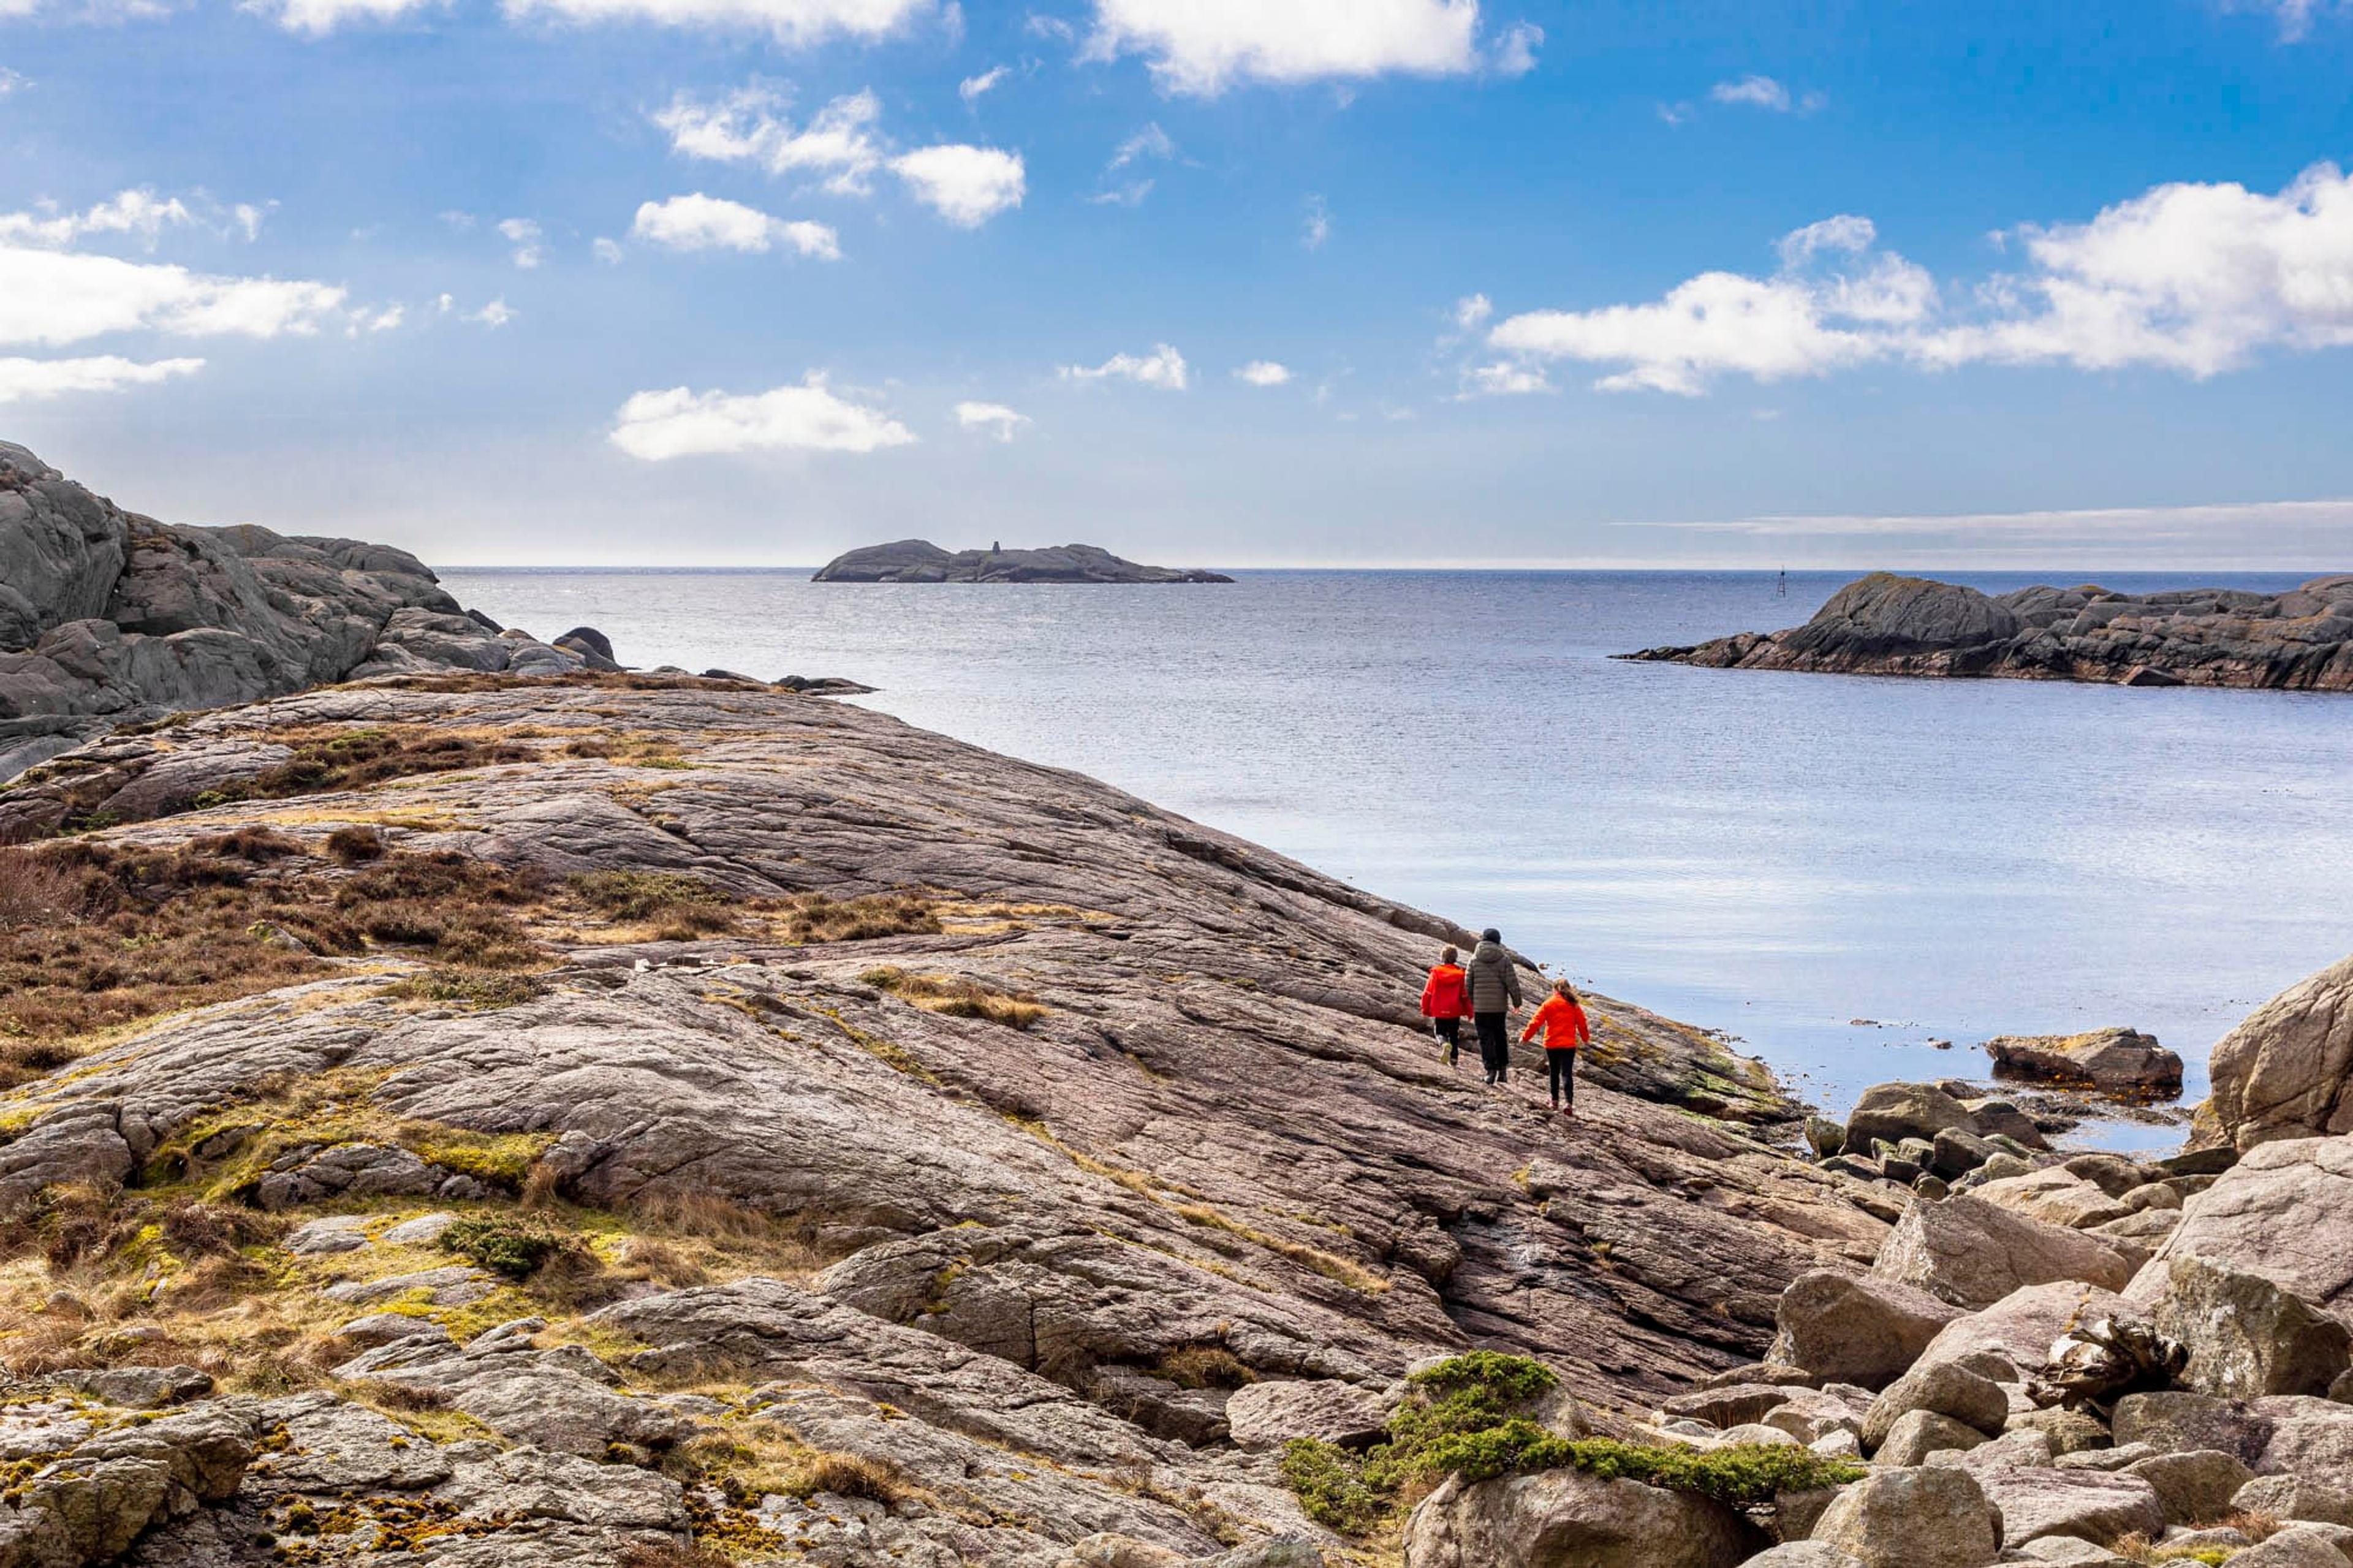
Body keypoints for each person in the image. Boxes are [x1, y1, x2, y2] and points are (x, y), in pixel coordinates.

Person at [1522, 979, 1593, 1117]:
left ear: (1555, 989)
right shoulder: (1574, 1005)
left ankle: (1554, 1101)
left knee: (1554, 1072)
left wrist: (1525, 1038)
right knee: (1567, 1073)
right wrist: (1585, 1039)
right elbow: (1582, 1024)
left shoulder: (1548, 1004)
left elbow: (1535, 1022)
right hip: (1568, 1045)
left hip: (1552, 1044)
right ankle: (1569, 1104)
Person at [1464, 928, 1523, 1085]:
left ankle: (1490, 1071)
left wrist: (1472, 1003)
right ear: (1498, 941)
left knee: (1485, 1039)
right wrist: (1517, 1003)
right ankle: (1503, 1071)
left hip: (1481, 1008)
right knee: (1500, 1037)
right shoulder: (1504, 959)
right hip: (1499, 1007)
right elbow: (1512, 983)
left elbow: (1468, 984)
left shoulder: (1474, 959)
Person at [1419, 946, 1472, 1067]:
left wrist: (1425, 1008)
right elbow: (1464, 996)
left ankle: (1443, 1044)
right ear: (1455, 958)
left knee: (1439, 1032)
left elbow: (1428, 993)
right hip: (1454, 1010)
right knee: (1454, 1034)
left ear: (1442, 958)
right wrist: (1469, 1012)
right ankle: (1454, 1059)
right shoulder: (1460, 974)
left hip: (1439, 1009)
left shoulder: (1436, 973)